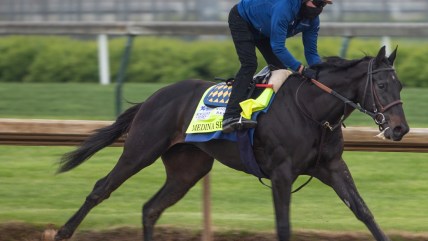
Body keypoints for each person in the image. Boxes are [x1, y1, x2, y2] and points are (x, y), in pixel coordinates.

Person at [222, 0, 332, 133]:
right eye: (317, 2)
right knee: (249, 64)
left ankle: (270, 115)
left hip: (264, 27)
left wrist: (321, 73)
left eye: (322, 5)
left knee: (281, 70)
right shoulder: (284, 8)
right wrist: (301, 69)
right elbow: (278, 47)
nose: (318, 8)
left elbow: (311, 53)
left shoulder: (313, 20)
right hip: (242, 19)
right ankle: (230, 116)